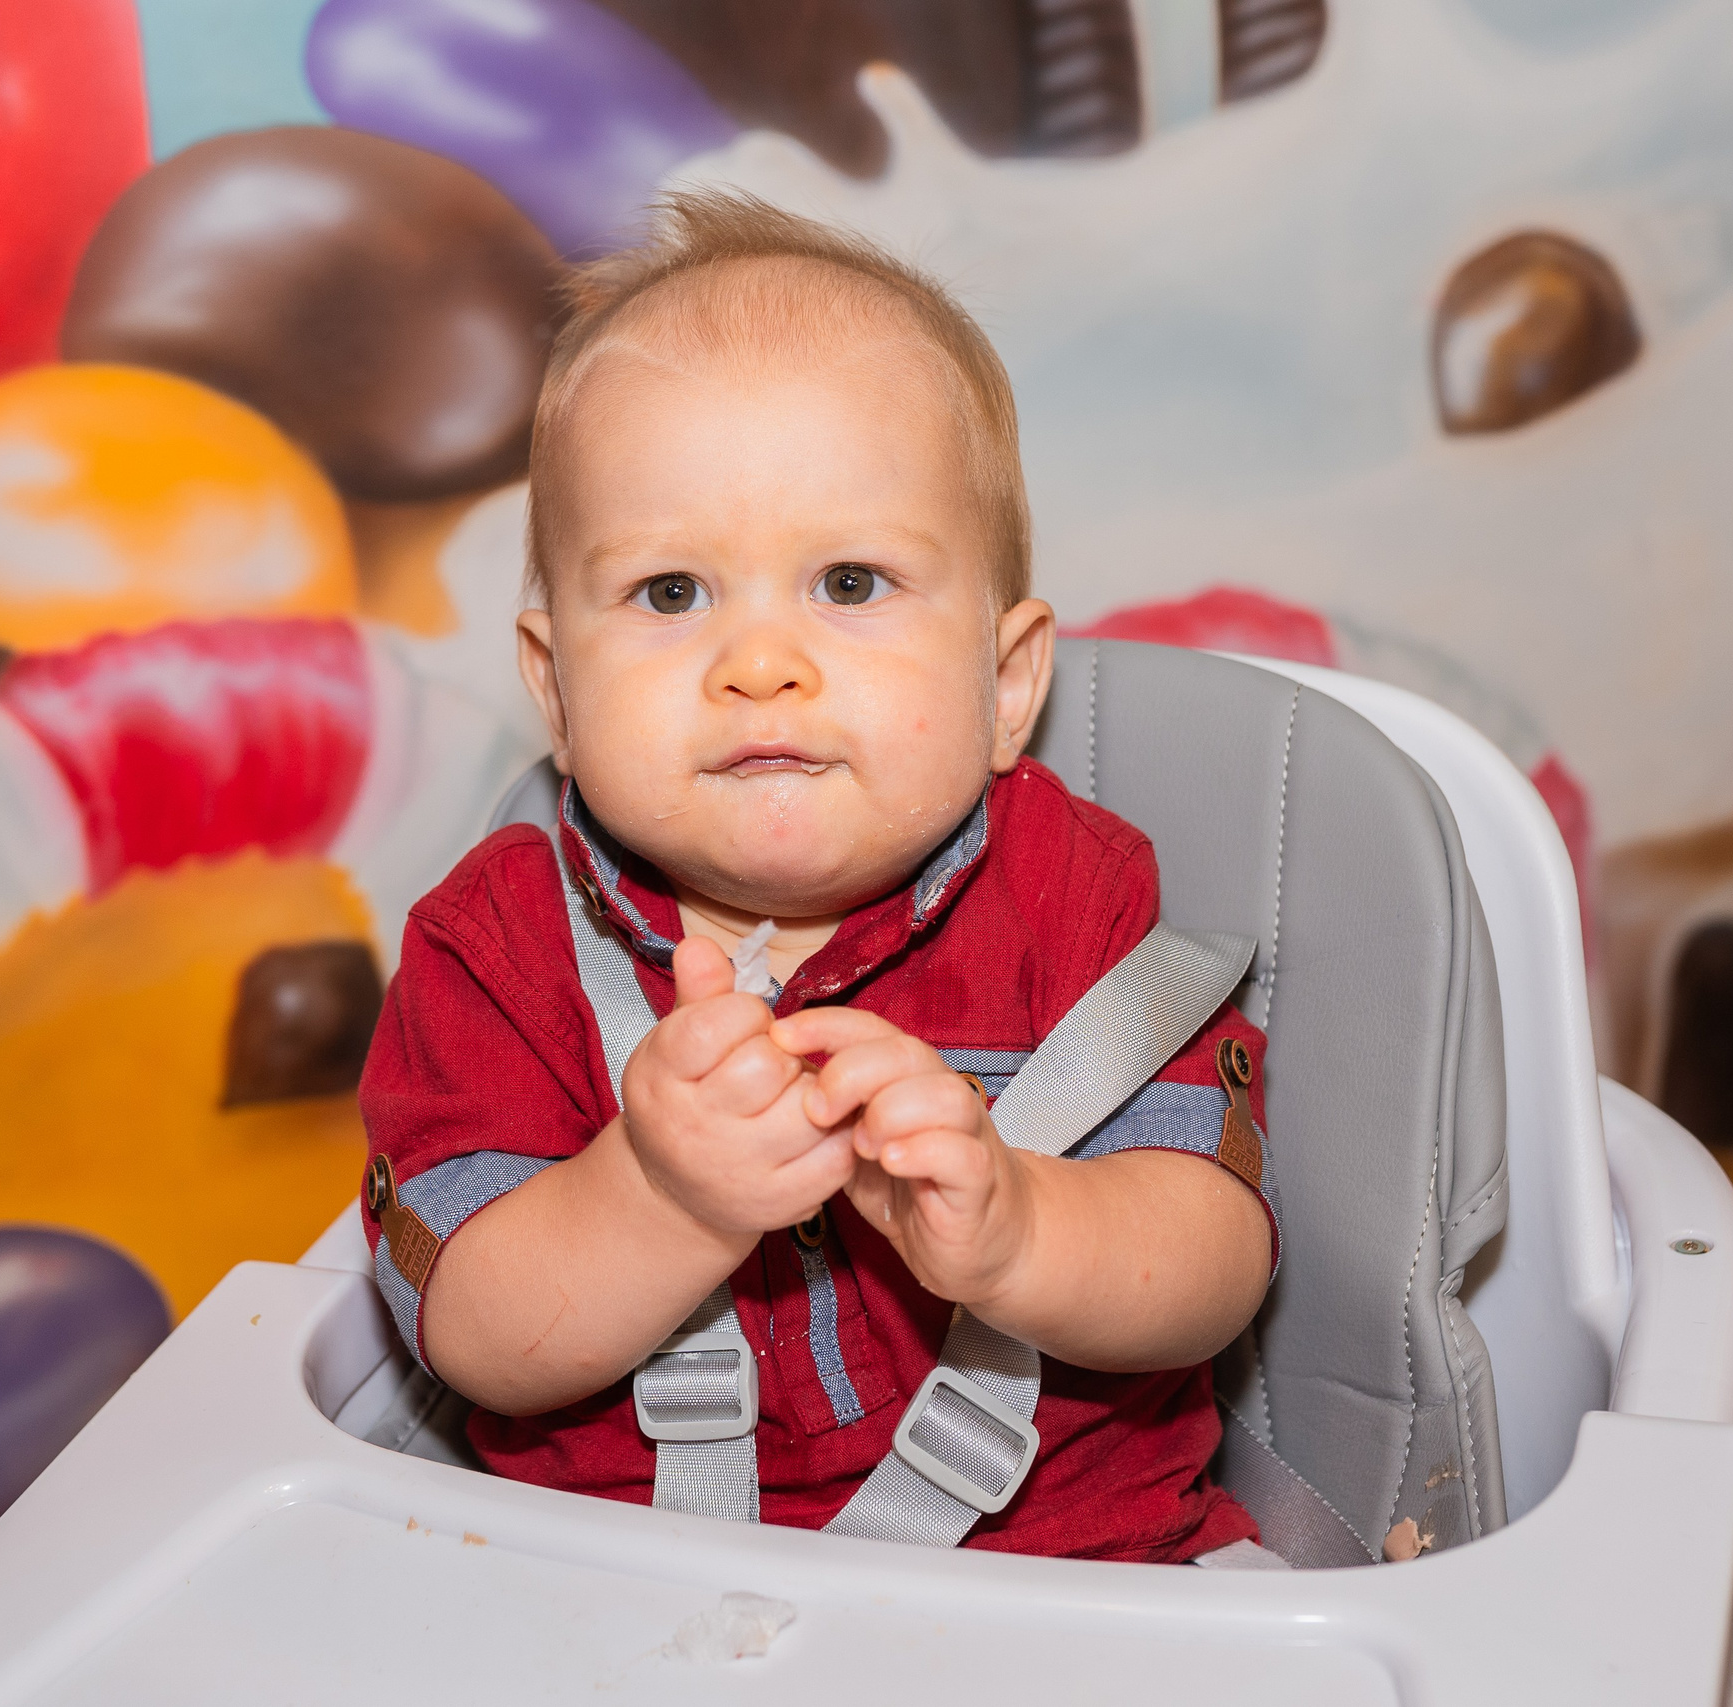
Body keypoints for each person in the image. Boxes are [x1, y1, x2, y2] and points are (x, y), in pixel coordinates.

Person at [357, 190, 1282, 1564]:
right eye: (672, 593)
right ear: (554, 689)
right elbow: (470, 1333)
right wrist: (658, 1198)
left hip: (1077, 1586)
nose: (760, 662)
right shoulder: (496, 945)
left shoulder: (1079, 896)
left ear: (1007, 680)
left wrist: (1025, 1231)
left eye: (850, 584)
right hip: (625, 1604)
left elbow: (1220, 1258)